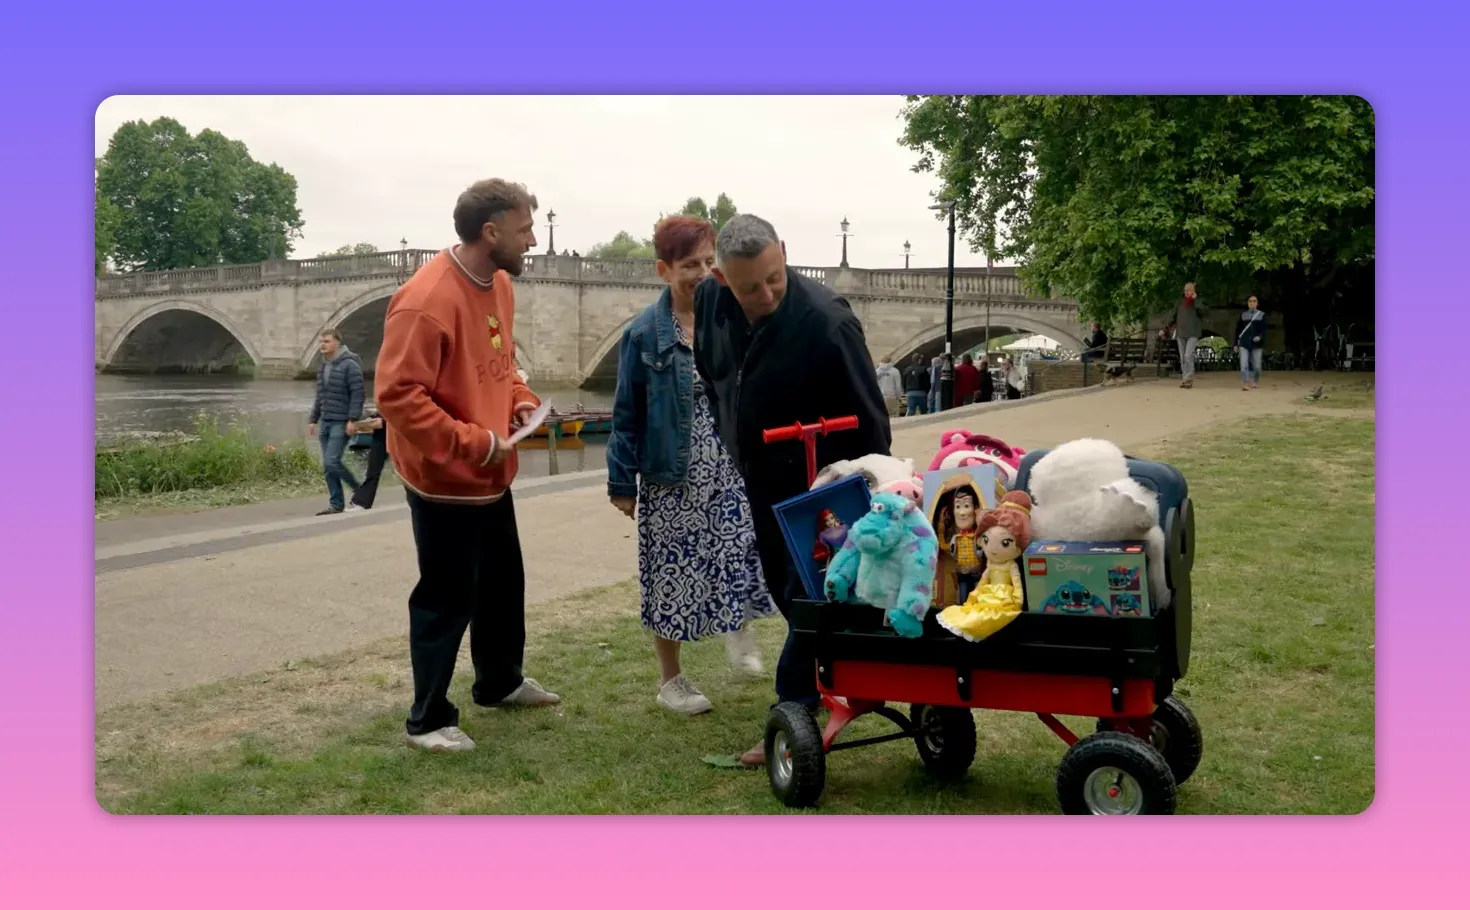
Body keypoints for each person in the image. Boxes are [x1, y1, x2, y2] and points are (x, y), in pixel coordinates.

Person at [693, 214, 892, 767]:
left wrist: (864, 494)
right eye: (749, 287)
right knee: (786, 590)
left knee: (810, 594)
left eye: (774, 277)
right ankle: (839, 677)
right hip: (758, 473)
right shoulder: (712, 303)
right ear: (722, 279)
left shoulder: (828, 323)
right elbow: (713, 372)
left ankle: (796, 707)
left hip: (819, 484)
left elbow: (872, 424)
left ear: (784, 252)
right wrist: (730, 435)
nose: (766, 294)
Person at [375, 178, 561, 754]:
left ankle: (499, 681)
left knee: (503, 582)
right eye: (526, 228)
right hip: (444, 480)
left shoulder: (500, 282)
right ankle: (427, 719)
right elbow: (398, 396)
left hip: (489, 474)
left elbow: (501, 364)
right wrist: (473, 442)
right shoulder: (426, 301)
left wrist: (520, 402)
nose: (533, 239)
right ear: (491, 231)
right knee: (446, 595)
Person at [605, 216, 775, 716]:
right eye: (689, 264)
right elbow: (625, 413)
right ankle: (671, 680)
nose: (702, 272)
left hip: (732, 460)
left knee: (744, 547)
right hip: (671, 473)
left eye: (708, 262)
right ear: (663, 270)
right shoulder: (643, 334)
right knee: (669, 573)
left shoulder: (735, 317)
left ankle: (738, 625)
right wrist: (622, 482)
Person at [307, 329, 365, 515]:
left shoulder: (350, 365)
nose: (322, 345)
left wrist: (353, 419)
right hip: (326, 420)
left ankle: (360, 489)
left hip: (342, 421)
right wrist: (313, 419)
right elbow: (320, 396)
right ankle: (336, 504)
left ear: (337, 342)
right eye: (321, 341)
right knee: (328, 465)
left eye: (326, 341)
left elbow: (358, 394)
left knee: (332, 461)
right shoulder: (324, 366)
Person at [1167, 282, 1209, 388]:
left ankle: (1189, 378)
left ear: (1194, 290)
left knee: (1188, 356)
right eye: (1185, 290)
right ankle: (1185, 379)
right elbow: (1173, 315)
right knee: (1182, 358)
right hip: (1181, 333)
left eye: (1189, 290)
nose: (1186, 292)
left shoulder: (1199, 302)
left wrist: (1195, 301)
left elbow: (1204, 312)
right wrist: (1165, 327)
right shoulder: (1180, 302)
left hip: (1193, 333)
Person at [347, 404, 388, 511]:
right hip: (382, 434)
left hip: (394, 430)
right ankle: (361, 501)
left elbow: (380, 422)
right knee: (374, 469)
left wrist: (356, 426)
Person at [1235, 294, 1267, 390]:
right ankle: (1245, 383)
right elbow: (1238, 330)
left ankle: (1255, 381)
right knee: (1243, 365)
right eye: (1250, 301)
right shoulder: (1243, 315)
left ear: (1257, 303)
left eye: (1254, 301)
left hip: (1256, 344)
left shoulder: (1262, 315)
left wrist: (1260, 336)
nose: (1252, 303)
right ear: (1248, 303)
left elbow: (1264, 329)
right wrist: (1236, 343)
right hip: (1244, 343)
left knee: (1257, 366)